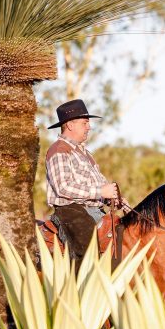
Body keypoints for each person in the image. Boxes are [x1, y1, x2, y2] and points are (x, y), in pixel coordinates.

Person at [45, 99, 122, 262]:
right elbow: (63, 187)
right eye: (85, 123)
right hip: (70, 211)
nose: (89, 127)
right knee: (86, 245)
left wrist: (115, 199)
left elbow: (102, 185)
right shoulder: (58, 150)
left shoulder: (86, 154)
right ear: (70, 125)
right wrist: (101, 191)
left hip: (95, 210)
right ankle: (80, 285)